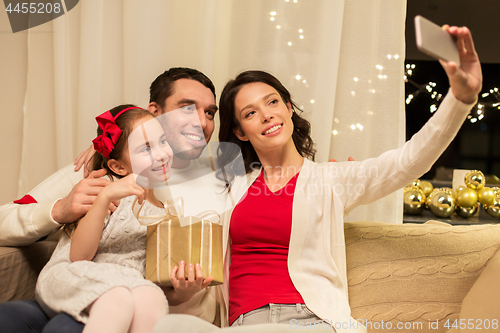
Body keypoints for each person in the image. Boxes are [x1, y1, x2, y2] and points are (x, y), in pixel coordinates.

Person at [210, 25, 482, 330]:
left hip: (312, 321)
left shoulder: (331, 180)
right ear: (239, 132)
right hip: (247, 323)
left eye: (272, 102)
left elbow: (408, 162)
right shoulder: (228, 187)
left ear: (288, 108)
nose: (266, 115)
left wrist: (460, 100)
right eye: (250, 113)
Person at [0, 67, 219, 333]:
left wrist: (183, 292)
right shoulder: (95, 171)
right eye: (186, 108)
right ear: (155, 113)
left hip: (145, 301)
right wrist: (61, 209)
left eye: (209, 112)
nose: (202, 122)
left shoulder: (216, 187)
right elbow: (8, 219)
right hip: (80, 287)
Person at [36, 105, 182, 333]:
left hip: (133, 284)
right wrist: (104, 198)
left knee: (152, 298)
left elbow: (157, 279)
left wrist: (184, 290)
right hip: (73, 276)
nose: (162, 154)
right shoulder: (106, 191)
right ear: (118, 167)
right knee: (118, 296)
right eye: (146, 148)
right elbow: (78, 256)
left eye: (163, 141)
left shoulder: (167, 213)